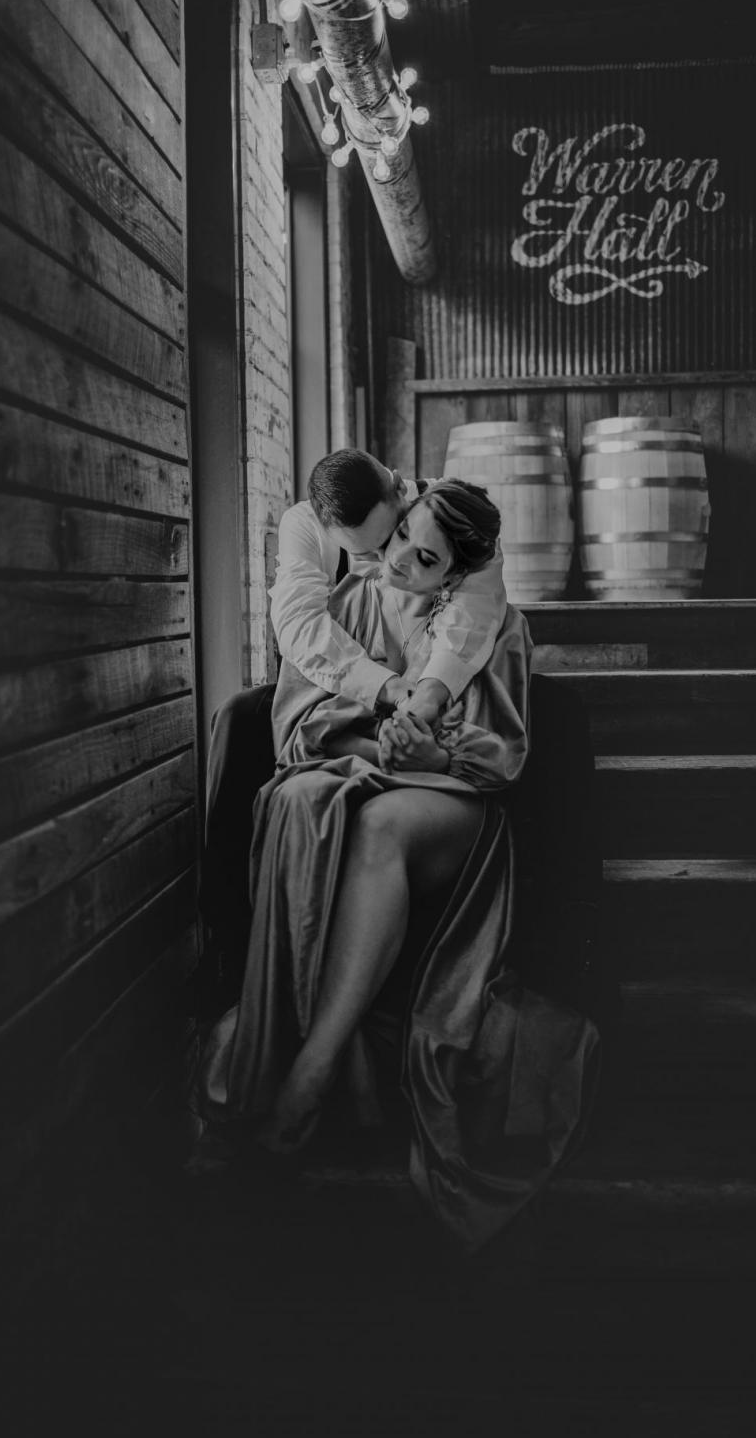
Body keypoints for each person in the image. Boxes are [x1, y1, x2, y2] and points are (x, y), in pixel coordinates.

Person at [199, 481, 600, 1253]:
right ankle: (336, 1045)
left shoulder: (493, 627)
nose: (403, 563)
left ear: (457, 572)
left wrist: (435, 755)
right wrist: (375, 739)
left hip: (452, 804)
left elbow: (500, 758)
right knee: (316, 804)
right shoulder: (351, 598)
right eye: (404, 539)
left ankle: (313, 1068)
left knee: (382, 822)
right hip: (359, 775)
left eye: (427, 560)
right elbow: (303, 716)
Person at [269, 450, 507, 730]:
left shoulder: (454, 509)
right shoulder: (304, 524)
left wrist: (429, 694)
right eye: (366, 554)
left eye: (395, 534)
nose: (390, 559)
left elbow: (475, 606)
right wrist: (389, 687)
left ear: (400, 487)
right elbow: (297, 623)